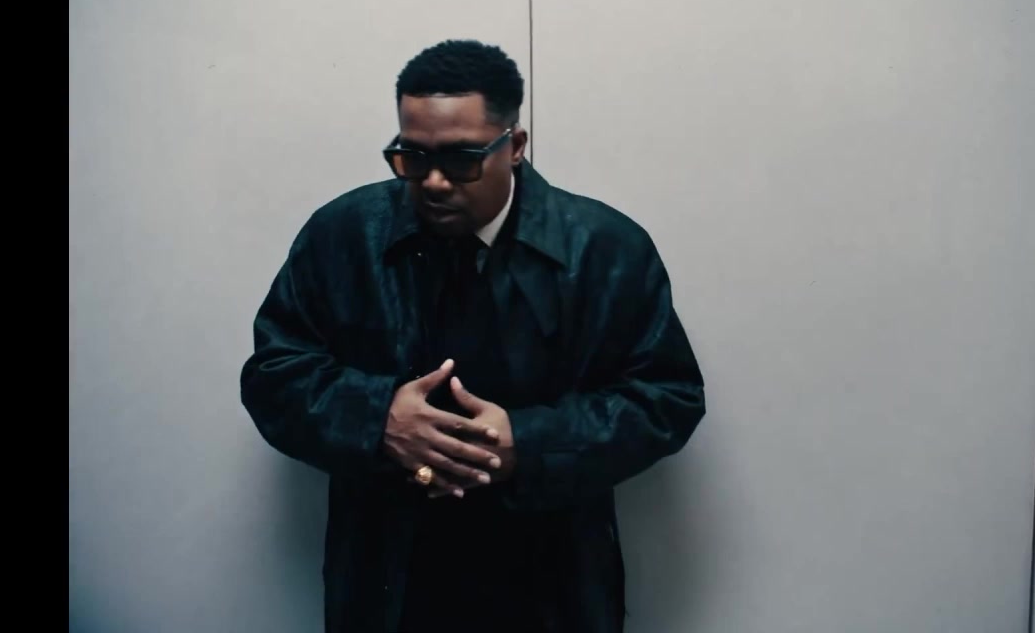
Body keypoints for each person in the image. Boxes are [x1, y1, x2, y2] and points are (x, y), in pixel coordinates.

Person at [240, 39, 706, 632]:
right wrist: (379, 419)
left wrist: (527, 443)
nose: (434, 182)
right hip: (389, 585)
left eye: (461, 159)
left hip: (552, 585)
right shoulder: (344, 235)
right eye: (412, 156)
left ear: (515, 146)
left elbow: (667, 398)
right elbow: (275, 374)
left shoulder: (605, 248)